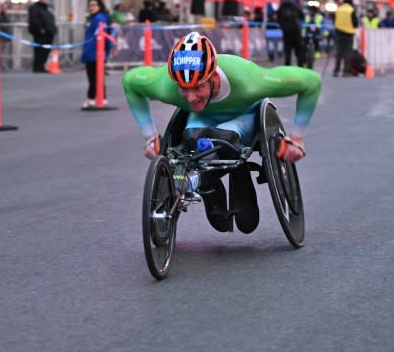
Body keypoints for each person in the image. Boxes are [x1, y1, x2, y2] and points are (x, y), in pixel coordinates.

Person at [123, 32, 320, 233]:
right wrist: (150, 137)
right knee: (191, 138)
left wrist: (296, 138)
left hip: (244, 114)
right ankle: (209, 187)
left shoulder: (248, 80)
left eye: (198, 87)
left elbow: (311, 81)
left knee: (226, 137)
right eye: (183, 89)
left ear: (213, 77)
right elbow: (130, 81)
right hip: (202, 119)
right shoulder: (166, 83)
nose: (190, 97)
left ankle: (235, 176)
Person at [80, 0, 113, 108]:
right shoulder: (94, 18)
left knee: (94, 77)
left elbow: (100, 34)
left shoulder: (99, 18)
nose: (91, 7)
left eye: (94, 5)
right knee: (96, 77)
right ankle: (101, 98)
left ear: (99, 6)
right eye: (90, 5)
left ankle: (92, 99)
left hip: (95, 52)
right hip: (92, 52)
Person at [27, 0, 57, 73]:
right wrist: (40, 28)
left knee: (46, 50)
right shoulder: (34, 8)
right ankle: (38, 66)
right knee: (39, 50)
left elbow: (50, 18)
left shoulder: (47, 7)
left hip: (49, 32)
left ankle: (41, 66)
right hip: (40, 33)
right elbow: (34, 20)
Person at [276, 0, 304, 66]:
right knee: (291, 52)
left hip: (293, 32)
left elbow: (277, 19)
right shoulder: (285, 7)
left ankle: (298, 66)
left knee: (294, 51)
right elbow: (302, 16)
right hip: (290, 32)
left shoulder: (287, 7)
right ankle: (297, 66)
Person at [332, 0, 358, 77]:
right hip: (348, 34)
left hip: (339, 33)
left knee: (339, 52)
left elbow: (334, 20)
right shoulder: (351, 10)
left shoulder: (338, 9)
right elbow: (355, 23)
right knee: (347, 53)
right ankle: (345, 72)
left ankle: (336, 70)